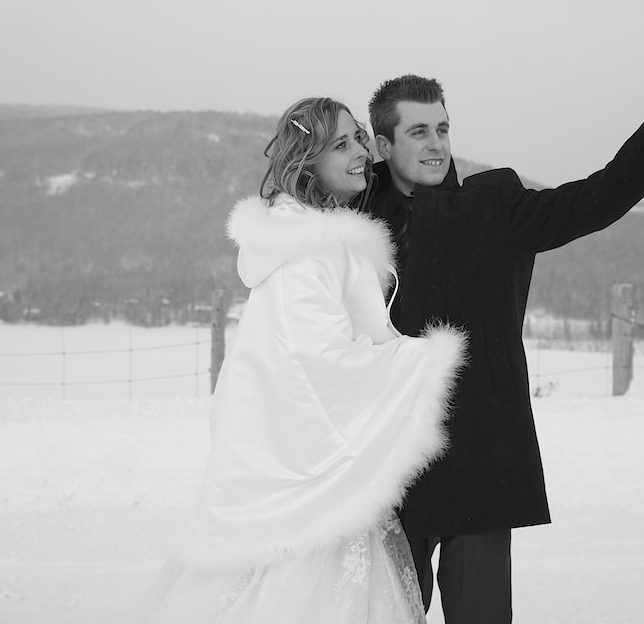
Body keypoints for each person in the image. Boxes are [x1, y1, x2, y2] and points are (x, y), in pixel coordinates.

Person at [362, 50, 644, 622]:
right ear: (384, 146)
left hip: (478, 458)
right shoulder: (354, 224)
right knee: (378, 614)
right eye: (417, 132)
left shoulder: (493, 206)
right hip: (386, 466)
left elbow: (597, 198)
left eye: (442, 128)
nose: (436, 143)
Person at [137, 97, 467, 623]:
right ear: (306, 159)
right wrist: (421, 360)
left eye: (359, 138)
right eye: (341, 145)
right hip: (298, 465)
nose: (360, 152)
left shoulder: (310, 232)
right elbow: (318, 359)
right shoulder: (312, 246)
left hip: (288, 446)